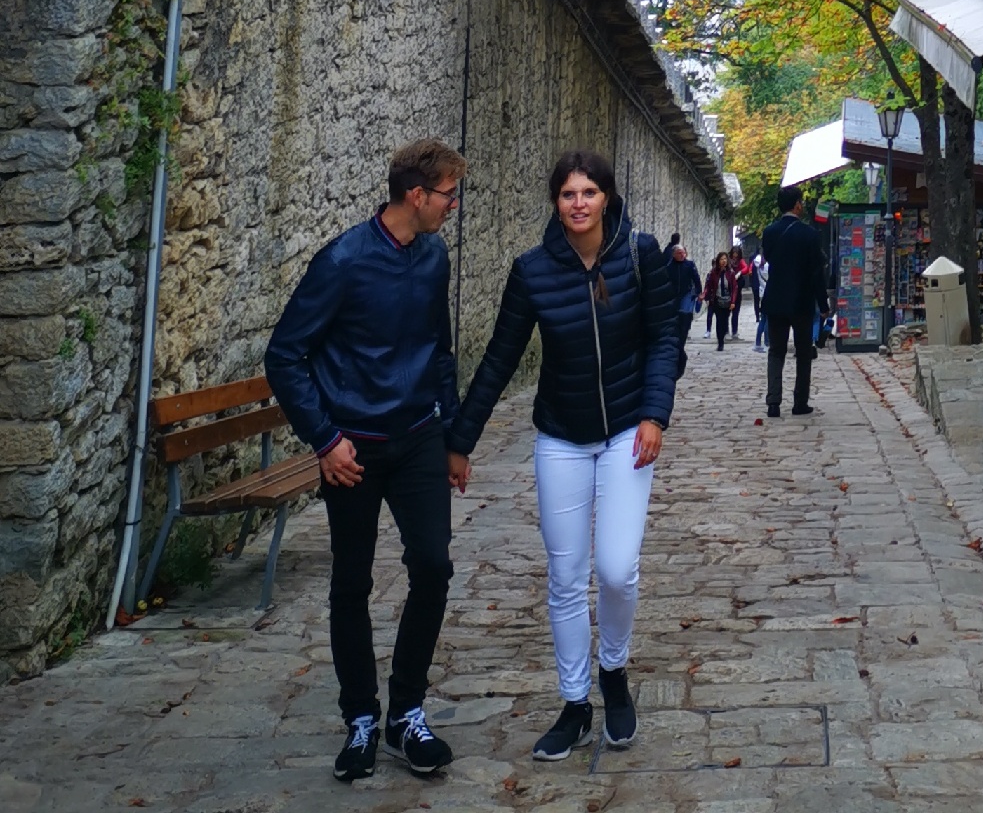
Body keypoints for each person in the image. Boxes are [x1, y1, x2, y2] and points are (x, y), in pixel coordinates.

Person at [447, 148, 678, 763]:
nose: (579, 203)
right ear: (557, 202)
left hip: (629, 430)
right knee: (566, 576)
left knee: (617, 568)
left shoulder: (640, 254)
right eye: (568, 194)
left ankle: (614, 673)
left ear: (608, 198)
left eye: (589, 192)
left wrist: (655, 415)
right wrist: (460, 442)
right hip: (561, 439)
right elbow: (498, 358)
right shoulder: (533, 271)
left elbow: (664, 339)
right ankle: (575, 703)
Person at [264, 137, 466, 783]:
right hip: (351, 451)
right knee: (351, 582)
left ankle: (405, 712)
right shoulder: (344, 262)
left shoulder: (434, 259)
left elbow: (440, 349)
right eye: (447, 195)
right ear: (416, 195)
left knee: (432, 565)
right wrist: (324, 439)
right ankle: (359, 716)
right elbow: (285, 355)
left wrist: (453, 436)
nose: (452, 206)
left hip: (416, 440)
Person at [761, 186, 831, 419]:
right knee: (803, 352)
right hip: (802, 300)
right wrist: (823, 304)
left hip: (776, 299)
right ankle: (800, 401)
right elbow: (816, 273)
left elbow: (770, 258)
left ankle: (773, 402)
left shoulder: (770, 232)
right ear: (797, 205)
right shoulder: (809, 235)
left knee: (776, 351)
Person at [669, 241, 702, 362]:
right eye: (679, 253)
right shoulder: (669, 266)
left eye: (683, 252)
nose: (682, 255)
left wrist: (699, 292)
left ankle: (683, 336)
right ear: (674, 255)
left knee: (685, 315)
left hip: (687, 294)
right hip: (674, 296)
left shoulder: (689, 264)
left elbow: (696, 278)